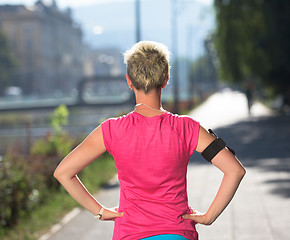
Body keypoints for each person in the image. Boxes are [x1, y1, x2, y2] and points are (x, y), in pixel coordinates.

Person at [54, 41, 246, 240]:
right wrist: (208, 216)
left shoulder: (111, 130)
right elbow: (235, 170)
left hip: (130, 233)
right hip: (178, 232)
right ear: (166, 79)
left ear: (129, 81)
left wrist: (100, 211)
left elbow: (63, 172)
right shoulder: (187, 127)